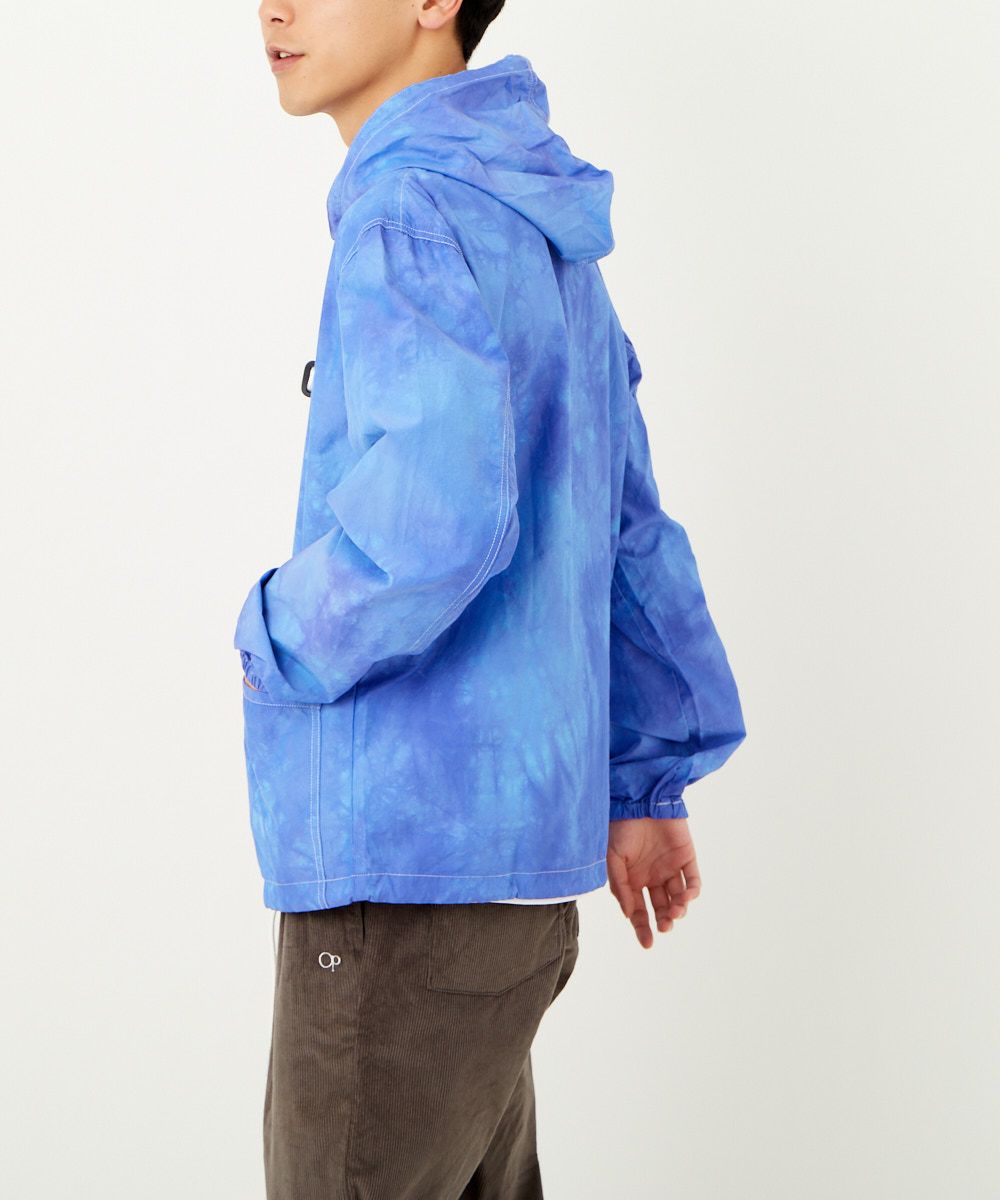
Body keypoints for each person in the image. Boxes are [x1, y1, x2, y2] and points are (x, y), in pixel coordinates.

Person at [234, 2, 746, 1195]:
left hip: (401, 874)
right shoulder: (533, 214)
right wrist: (640, 782)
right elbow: (625, 522)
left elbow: (431, 523)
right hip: (514, 889)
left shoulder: (406, 208)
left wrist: (271, 632)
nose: (272, 6)